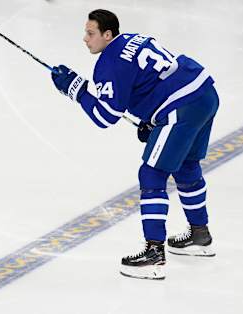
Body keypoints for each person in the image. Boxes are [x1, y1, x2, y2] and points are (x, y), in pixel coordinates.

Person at [50, 9, 219, 280]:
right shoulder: (132, 38)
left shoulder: (109, 63)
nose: (85, 39)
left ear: (107, 35)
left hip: (181, 108)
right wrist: (152, 118)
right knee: (186, 166)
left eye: (90, 33)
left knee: (152, 174)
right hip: (204, 94)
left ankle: (153, 254)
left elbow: (104, 117)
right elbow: (150, 80)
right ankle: (200, 235)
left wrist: (76, 90)